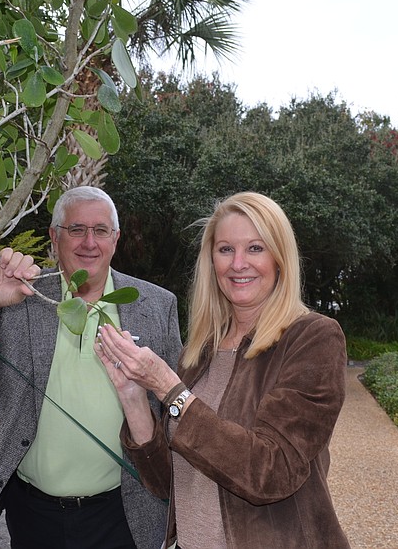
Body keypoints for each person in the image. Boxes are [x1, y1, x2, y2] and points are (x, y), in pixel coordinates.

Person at [0, 186, 182, 549]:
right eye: (76, 229)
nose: (89, 242)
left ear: (115, 239)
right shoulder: (21, 295)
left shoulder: (156, 304)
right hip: (32, 511)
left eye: (101, 230)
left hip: (124, 510)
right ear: (54, 237)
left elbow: (174, 407)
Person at [94, 191, 350, 548]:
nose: (238, 263)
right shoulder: (200, 351)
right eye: (226, 249)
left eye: (255, 248)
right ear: (211, 261)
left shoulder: (312, 338)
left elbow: (270, 471)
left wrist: (172, 390)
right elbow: (168, 483)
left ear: (280, 258)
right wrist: (133, 396)